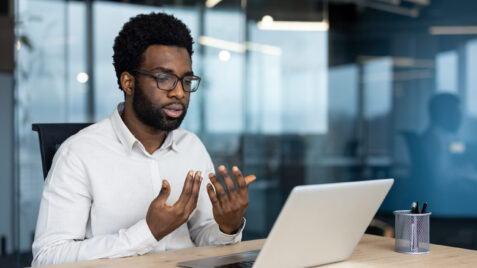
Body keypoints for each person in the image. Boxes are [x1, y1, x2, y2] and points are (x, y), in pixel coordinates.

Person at [32, 12, 256, 266]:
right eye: (164, 78)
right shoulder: (78, 154)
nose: (179, 92)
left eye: (186, 80)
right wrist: (148, 232)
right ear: (128, 82)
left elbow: (201, 238)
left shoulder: (191, 146)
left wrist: (227, 227)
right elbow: (48, 258)